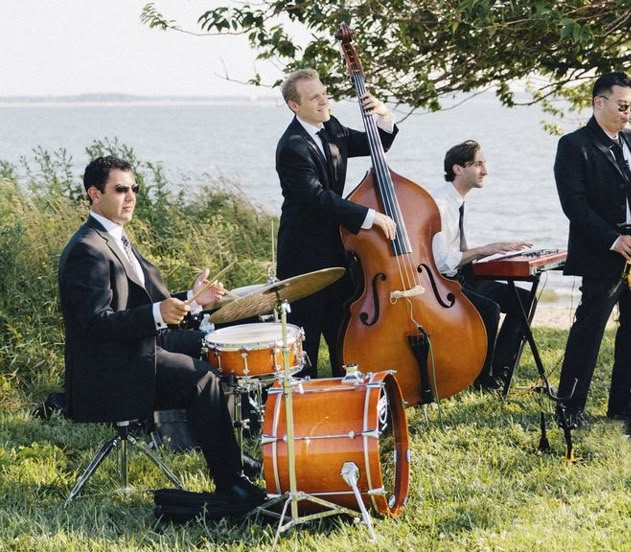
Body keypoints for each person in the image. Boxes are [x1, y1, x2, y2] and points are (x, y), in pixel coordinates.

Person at [58, 156, 263, 504]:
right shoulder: (86, 249)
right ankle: (232, 484)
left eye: (134, 188)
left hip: (137, 349)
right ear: (94, 194)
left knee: (214, 348)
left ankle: (231, 455)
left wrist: (194, 299)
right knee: (201, 379)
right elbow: (93, 324)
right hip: (110, 370)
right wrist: (157, 312)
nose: (130, 196)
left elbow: (150, 304)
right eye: (120, 189)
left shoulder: (117, 239)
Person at [554, 72, 631, 428]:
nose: (629, 114)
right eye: (622, 106)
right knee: (589, 330)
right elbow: (574, 205)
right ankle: (569, 408)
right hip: (604, 252)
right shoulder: (574, 145)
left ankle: (623, 402)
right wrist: (614, 239)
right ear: (598, 103)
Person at [275, 68, 398, 377]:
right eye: (314, 97)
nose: (323, 101)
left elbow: (377, 143)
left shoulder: (333, 128)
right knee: (307, 338)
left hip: (338, 249)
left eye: (324, 94)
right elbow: (317, 198)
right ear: (294, 105)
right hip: (303, 255)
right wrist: (370, 217)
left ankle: (349, 393)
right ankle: (305, 404)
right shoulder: (291, 146)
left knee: (342, 328)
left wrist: (382, 112)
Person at [432, 140, 533, 390]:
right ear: (458, 169)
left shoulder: (457, 201)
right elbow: (442, 261)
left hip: (462, 276)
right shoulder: (440, 205)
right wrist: (486, 249)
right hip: (443, 284)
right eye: (478, 164)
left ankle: (499, 371)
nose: (485, 170)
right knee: (490, 308)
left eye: (483, 164)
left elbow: (460, 252)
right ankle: (482, 378)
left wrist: (497, 251)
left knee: (524, 300)